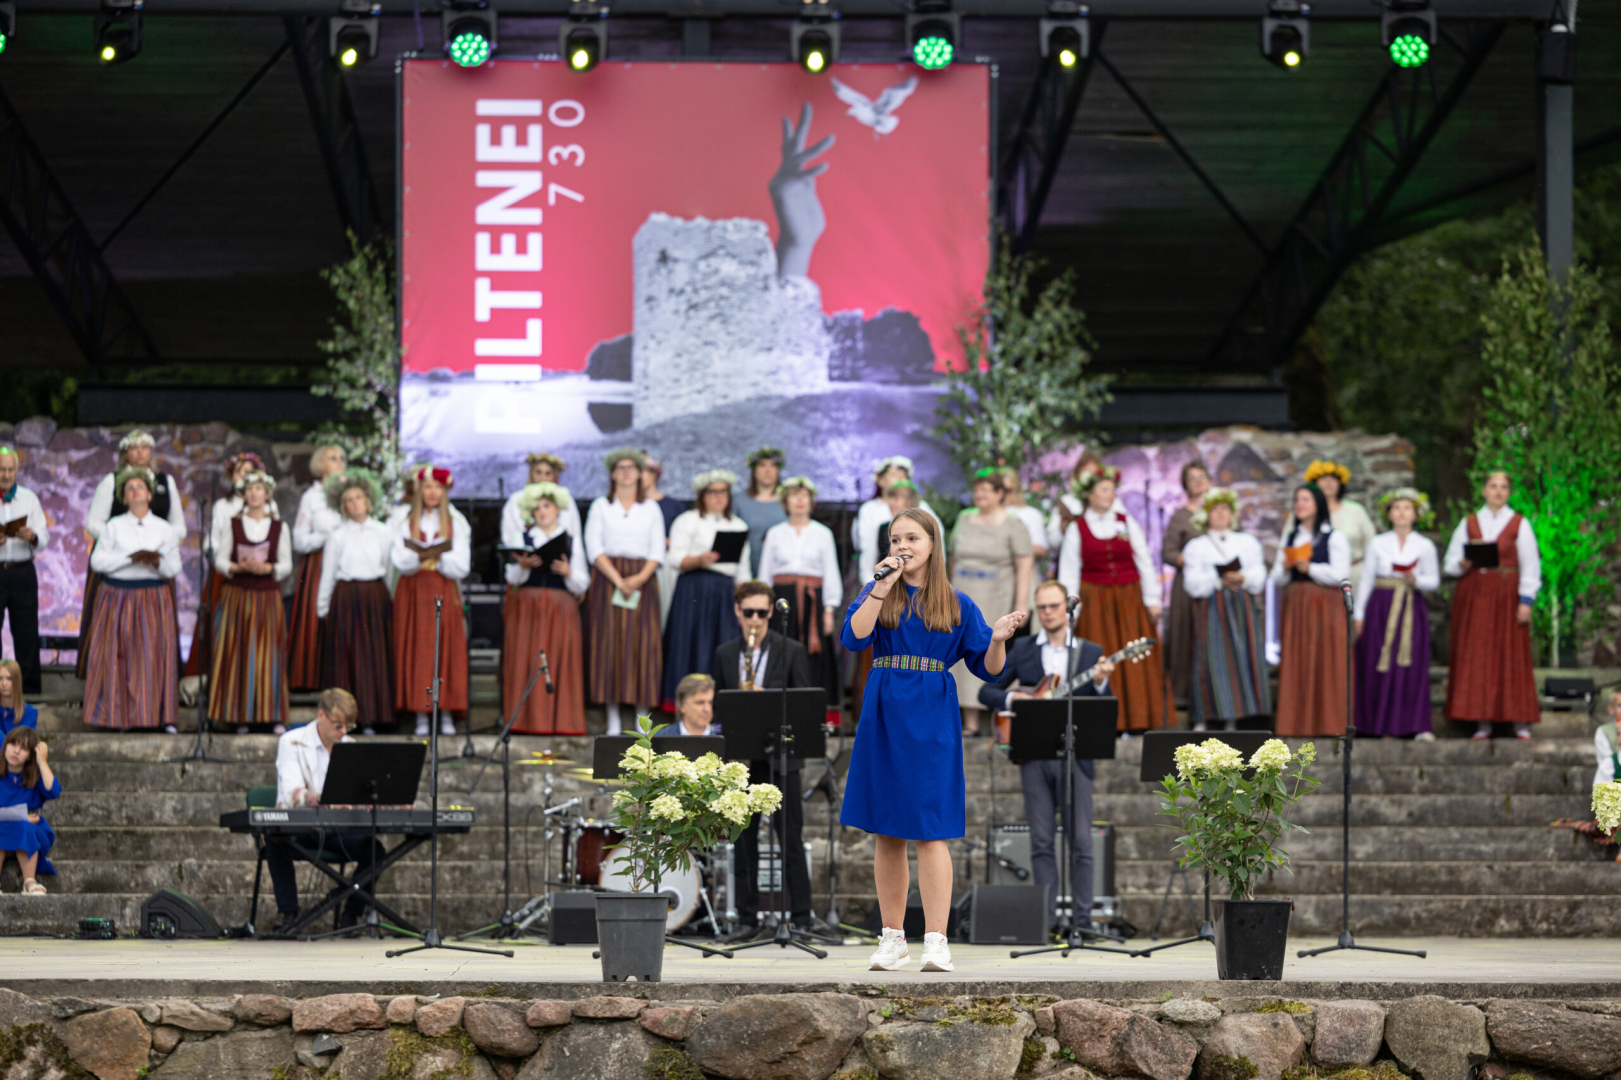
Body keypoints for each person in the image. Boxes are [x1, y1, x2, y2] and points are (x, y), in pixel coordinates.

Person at [842, 509, 1025, 973]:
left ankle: (936, 940)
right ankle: (893, 939)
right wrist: (880, 586)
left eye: (912, 538)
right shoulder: (877, 590)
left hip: (931, 712)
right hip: (884, 708)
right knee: (887, 830)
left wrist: (998, 639)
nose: (902, 546)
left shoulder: (957, 602)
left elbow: (989, 669)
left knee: (930, 829)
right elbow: (854, 638)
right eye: (894, 539)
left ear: (932, 544)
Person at [978, 579, 1113, 933]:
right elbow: (986, 691)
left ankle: (1083, 922)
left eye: (1054, 606)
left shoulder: (1089, 652)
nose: (1049, 613)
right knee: (1040, 841)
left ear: (1068, 608)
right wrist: (1015, 698)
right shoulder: (1022, 648)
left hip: (1076, 755)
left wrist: (1101, 681)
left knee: (1082, 842)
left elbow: (1103, 706)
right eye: (1042, 607)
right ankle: (1047, 921)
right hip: (1033, 754)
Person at [712, 580, 816, 939]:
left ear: (771, 612)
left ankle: (801, 918)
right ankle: (746, 918)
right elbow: (719, 706)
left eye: (761, 612)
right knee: (743, 841)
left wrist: (764, 698)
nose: (755, 619)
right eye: (748, 612)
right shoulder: (726, 653)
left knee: (791, 839)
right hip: (742, 758)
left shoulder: (792, 650)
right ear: (737, 612)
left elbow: (803, 705)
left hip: (782, 758)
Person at [266, 688, 385, 934]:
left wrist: (385, 799)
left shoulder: (350, 746)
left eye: (348, 727)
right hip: (300, 827)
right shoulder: (291, 741)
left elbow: (362, 792)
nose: (343, 733)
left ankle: (351, 915)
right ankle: (289, 914)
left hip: (337, 830)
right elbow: (291, 792)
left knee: (374, 850)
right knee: (274, 838)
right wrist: (320, 799)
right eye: (338, 725)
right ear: (321, 715)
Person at [1057, 463, 1165, 733]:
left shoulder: (1125, 521)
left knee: (1134, 655)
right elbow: (1069, 571)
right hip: (1096, 600)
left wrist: (1152, 599)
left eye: (1112, 490)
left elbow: (1144, 559)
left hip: (1129, 598)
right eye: (1104, 490)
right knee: (1102, 655)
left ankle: (1140, 720)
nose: (1110, 495)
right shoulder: (1077, 528)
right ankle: (1110, 723)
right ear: (1090, 494)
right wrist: (1071, 610)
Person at [80, 431, 186, 681]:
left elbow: (179, 527)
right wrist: (123, 543)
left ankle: (157, 682)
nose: (140, 452)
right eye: (134, 447)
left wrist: (157, 547)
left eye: (144, 447)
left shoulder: (165, 481)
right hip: (119, 566)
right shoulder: (112, 480)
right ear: (125, 452)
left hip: (155, 566)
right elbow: (94, 522)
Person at [1443, 471, 1541, 740]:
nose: (1498, 491)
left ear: (1509, 492)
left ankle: (1518, 720)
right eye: (1493, 486)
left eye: (1504, 487)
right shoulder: (1469, 522)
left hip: (1506, 595)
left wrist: (1526, 600)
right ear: (1484, 490)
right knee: (1478, 655)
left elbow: (1531, 565)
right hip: (1475, 595)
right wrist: (1462, 563)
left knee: (1511, 653)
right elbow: (1450, 562)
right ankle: (1482, 721)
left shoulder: (1519, 523)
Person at [84, 467, 182, 732]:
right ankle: (118, 718)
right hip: (117, 596)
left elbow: (174, 567)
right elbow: (98, 562)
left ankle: (158, 718)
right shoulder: (113, 527)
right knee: (117, 657)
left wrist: (155, 562)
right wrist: (130, 558)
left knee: (153, 658)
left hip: (153, 596)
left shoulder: (164, 529)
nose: (135, 491)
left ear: (149, 495)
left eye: (140, 487)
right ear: (124, 498)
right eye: (130, 488)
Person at [584, 448, 665, 736]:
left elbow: (657, 550)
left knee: (643, 644)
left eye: (632, 467)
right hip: (608, 580)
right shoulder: (601, 506)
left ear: (641, 473)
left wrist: (638, 579)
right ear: (613, 474)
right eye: (621, 467)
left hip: (643, 581)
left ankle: (642, 717)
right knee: (609, 644)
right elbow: (594, 547)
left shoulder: (651, 508)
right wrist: (618, 580)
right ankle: (613, 718)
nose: (627, 472)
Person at [950, 469, 1033, 736]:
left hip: (997, 595)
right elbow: (952, 557)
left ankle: (1000, 725)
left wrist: (1021, 603)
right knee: (961, 653)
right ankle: (970, 723)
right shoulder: (964, 518)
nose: (980, 495)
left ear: (1000, 494)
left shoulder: (1013, 523)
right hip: (963, 594)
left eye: (986, 490)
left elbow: (1025, 564)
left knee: (990, 650)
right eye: (977, 490)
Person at [209, 469, 292, 735]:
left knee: (270, 653)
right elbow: (220, 560)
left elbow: (287, 564)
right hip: (238, 595)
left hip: (267, 596)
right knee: (238, 653)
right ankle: (239, 716)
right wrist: (237, 567)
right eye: (249, 489)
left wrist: (269, 568)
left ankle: (273, 715)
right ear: (243, 495)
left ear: (267, 494)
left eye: (259, 489)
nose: (254, 493)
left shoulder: (279, 527)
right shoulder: (234, 524)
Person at [1354, 488, 1440, 740]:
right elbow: (1367, 579)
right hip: (1381, 607)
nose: (1402, 513)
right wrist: (1359, 614)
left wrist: (1416, 579)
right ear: (1389, 514)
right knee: (1378, 661)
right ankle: (1378, 724)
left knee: (1410, 663)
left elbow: (1433, 580)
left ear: (1415, 514)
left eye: (1407, 508)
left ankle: (1414, 724)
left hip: (1411, 607)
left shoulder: (1424, 545)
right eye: (1397, 508)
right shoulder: (1377, 543)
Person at [662, 470, 751, 713]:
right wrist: (699, 560)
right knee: (689, 645)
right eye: (713, 492)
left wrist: (743, 601)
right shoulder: (687, 520)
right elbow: (674, 559)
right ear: (702, 495)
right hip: (693, 590)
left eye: (723, 492)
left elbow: (743, 570)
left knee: (721, 646)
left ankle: (718, 708)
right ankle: (685, 707)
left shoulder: (738, 525)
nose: (719, 497)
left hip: (724, 593)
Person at [503, 482, 588, 735]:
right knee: (526, 660)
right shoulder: (522, 537)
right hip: (528, 608)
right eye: (537, 508)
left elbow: (582, 581)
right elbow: (512, 577)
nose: (542, 512)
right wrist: (523, 565)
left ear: (557, 509)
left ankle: (561, 722)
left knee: (560, 660)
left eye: (547, 506)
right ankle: (525, 720)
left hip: (560, 608)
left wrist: (568, 572)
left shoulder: (571, 540)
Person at [1181, 489, 1270, 731]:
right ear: (1207, 515)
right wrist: (1218, 579)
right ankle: (1203, 717)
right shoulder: (1196, 546)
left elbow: (1259, 573)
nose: (1221, 514)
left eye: (1225, 509)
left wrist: (1243, 577)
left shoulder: (1247, 542)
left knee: (1240, 655)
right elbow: (1192, 583)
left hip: (1240, 606)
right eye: (1215, 510)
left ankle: (1234, 717)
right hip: (1211, 607)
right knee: (1209, 658)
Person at [392, 465, 471, 738]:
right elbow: (399, 558)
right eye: (427, 487)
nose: (432, 492)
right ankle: (420, 713)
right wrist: (419, 556)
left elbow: (462, 565)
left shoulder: (455, 522)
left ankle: (445, 711)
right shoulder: (406, 520)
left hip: (443, 588)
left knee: (444, 648)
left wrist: (439, 557)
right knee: (418, 649)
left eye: (437, 487)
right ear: (419, 490)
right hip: (414, 590)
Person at [757, 476, 844, 719]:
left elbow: (831, 572)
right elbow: (765, 573)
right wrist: (764, 607)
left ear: (811, 501)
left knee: (814, 655)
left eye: (804, 495)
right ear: (785, 502)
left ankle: (813, 716)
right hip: (782, 600)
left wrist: (829, 609)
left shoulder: (823, 533)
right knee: (781, 652)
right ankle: (780, 713)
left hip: (812, 602)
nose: (799, 500)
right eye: (794, 496)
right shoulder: (775, 533)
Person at [1269, 484, 1352, 737]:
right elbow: (1277, 579)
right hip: (1296, 606)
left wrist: (1311, 568)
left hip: (1325, 605)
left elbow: (1341, 575)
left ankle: (1329, 724)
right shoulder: (1290, 537)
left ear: (1317, 504)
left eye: (1305, 499)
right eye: (1297, 499)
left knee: (1326, 661)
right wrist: (1286, 567)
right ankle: (1295, 724)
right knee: (1298, 661)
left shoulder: (1333, 537)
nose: (1299, 504)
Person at [316, 470, 394, 735]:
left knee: (374, 656)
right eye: (349, 500)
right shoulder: (338, 536)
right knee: (348, 656)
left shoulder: (383, 532)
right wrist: (323, 607)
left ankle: (373, 716)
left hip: (374, 598)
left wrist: (389, 601)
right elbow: (328, 573)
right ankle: (347, 719)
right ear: (343, 506)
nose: (355, 503)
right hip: (347, 599)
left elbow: (389, 570)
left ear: (368, 501)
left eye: (359, 498)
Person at [186, 451, 267, 679]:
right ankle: (216, 675)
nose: (243, 477)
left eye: (249, 473)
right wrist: (220, 555)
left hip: (257, 573)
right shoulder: (223, 506)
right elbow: (211, 540)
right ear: (231, 477)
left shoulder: (268, 506)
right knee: (220, 624)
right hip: (227, 572)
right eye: (239, 472)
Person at [289, 442, 346, 691]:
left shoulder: (349, 492)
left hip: (346, 562)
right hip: (318, 563)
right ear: (321, 464)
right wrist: (327, 537)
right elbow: (299, 539)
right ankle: (312, 678)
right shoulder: (311, 497)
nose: (339, 462)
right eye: (333, 458)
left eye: (341, 458)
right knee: (315, 617)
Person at [1161, 460, 1210, 708]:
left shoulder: (1219, 510)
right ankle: (1185, 694)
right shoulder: (1181, 516)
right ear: (1185, 485)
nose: (1198, 482)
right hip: (1188, 586)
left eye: (1202, 476)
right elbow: (1168, 552)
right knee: (1187, 634)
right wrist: (1191, 559)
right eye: (1192, 478)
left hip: (1216, 584)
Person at [0, 449, 46, 696]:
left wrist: (32, 536)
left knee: (27, 634)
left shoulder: (29, 498)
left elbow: (44, 536)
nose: (6, 474)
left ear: (17, 471)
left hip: (22, 571)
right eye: (1, 469)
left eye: (10, 469)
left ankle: (30, 693)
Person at [853, 456, 941, 583]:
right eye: (894, 474)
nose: (900, 478)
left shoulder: (922, 507)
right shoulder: (870, 509)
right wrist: (868, 582)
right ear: (880, 480)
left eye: (903, 475)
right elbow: (866, 549)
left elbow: (937, 541)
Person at [0, 727, 58, 894]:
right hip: (3, 831)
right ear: (5, 745)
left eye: (24, 748)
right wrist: (19, 816)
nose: (16, 751)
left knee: (24, 827)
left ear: (30, 756)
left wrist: (42, 762)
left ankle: (29, 883)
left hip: (33, 833)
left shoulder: (35, 775)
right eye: (13, 744)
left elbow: (53, 791)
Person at [1305, 460, 1377, 584]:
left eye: (1333, 478)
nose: (1328, 482)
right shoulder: (1305, 512)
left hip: (1354, 575)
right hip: (1316, 579)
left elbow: (1371, 544)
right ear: (1314, 483)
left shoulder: (1356, 510)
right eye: (1323, 478)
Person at [500, 453, 582, 548]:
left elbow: (573, 533)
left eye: (548, 473)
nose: (543, 477)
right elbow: (509, 537)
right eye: (538, 472)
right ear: (531, 473)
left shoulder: (566, 500)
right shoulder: (516, 499)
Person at [641, 453, 685, 630]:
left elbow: (683, 539)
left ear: (655, 473)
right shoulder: (630, 507)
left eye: (644, 470)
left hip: (664, 567)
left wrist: (664, 541)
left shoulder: (673, 506)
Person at [734, 447, 788, 580]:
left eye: (773, 465)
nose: (767, 470)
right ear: (754, 470)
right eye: (762, 465)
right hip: (746, 572)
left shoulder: (788, 501)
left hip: (782, 573)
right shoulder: (739, 501)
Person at [1002, 468, 1049, 605]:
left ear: (1016, 489)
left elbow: (1040, 549)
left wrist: (1009, 550)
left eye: (1008, 490)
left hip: (1022, 576)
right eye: (999, 489)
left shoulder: (1030, 514)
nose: (1003, 494)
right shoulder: (983, 515)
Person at [0, 660, 37, 737]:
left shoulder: (30, 713)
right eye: (0, 678)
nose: (4, 683)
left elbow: (18, 742)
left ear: (17, 681)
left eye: (9, 679)